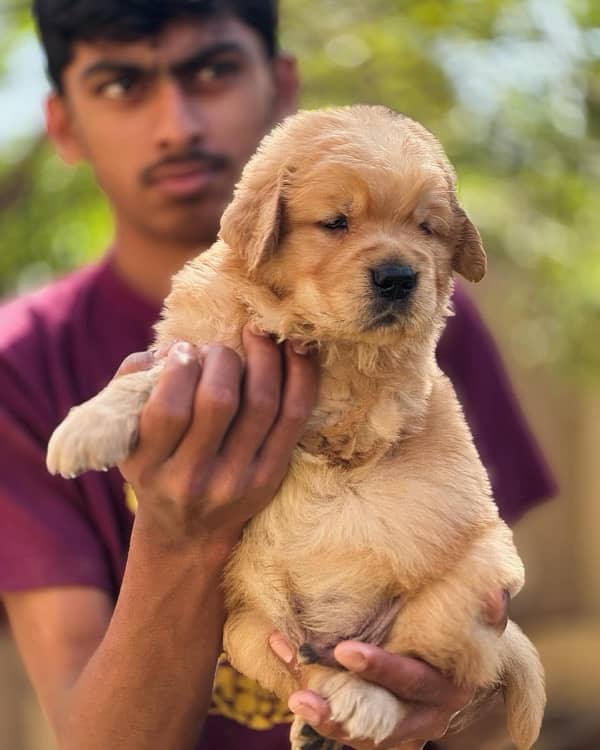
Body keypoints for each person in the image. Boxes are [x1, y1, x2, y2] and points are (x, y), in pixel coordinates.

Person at [0, 2, 556, 749]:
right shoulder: (19, 369)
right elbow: (89, 735)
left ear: (281, 85)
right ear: (63, 124)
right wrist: (181, 539)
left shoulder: (421, 324)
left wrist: (447, 701)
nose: (178, 123)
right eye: (121, 83)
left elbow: (484, 606)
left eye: (213, 70)